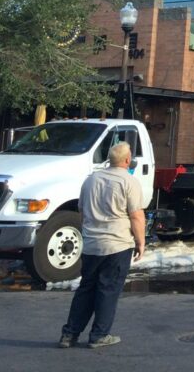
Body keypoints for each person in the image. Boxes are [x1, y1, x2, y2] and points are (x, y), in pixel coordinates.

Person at [58, 141, 145, 349]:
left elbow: (82, 210)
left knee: (86, 288)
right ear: (127, 160)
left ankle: (69, 334)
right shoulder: (129, 182)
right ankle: (99, 335)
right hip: (117, 245)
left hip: (91, 245)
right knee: (108, 289)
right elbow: (136, 216)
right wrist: (140, 242)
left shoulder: (91, 180)